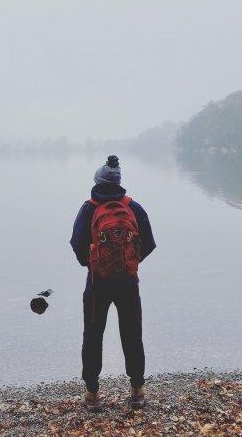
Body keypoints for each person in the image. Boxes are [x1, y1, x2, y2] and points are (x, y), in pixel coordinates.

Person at [70, 155, 156, 411]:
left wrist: (93, 262)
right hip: (128, 282)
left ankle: (92, 394)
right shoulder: (133, 207)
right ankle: (138, 391)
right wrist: (129, 261)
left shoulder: (89, 208)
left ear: (97, 182)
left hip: (98, 283)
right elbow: (149, 243)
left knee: (93, 335)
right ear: (119, 183)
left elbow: (76, 244)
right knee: (132, 333)